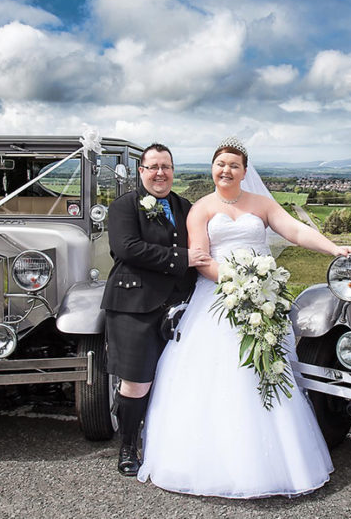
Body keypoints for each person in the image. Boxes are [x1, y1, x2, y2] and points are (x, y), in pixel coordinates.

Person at [137, 137, 351, 498]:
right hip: (217, 301)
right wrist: (236, 284)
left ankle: (275, 464)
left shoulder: (262, 204)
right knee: (215, 378)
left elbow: (296, 230)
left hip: (263, 300)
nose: (226, 170)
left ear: (244, 172)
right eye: (220, 164)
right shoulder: (201, 209)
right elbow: (200, 257)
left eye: (234, 165)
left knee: (263, 371)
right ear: (213, 168)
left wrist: (334, 247)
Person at [101, 143, 211, 476]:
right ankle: (128, 447)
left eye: (166, 166)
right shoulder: (123, 207)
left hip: (179, 307)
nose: (160, 173)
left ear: (173, 171)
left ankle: (168, 444)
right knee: (136, 382)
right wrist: (182, 259)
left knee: (176, 379)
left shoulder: (185, 206)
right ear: (141, 171)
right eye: (153, 167)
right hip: (132, 306)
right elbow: (127, 248)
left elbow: (203, 244)